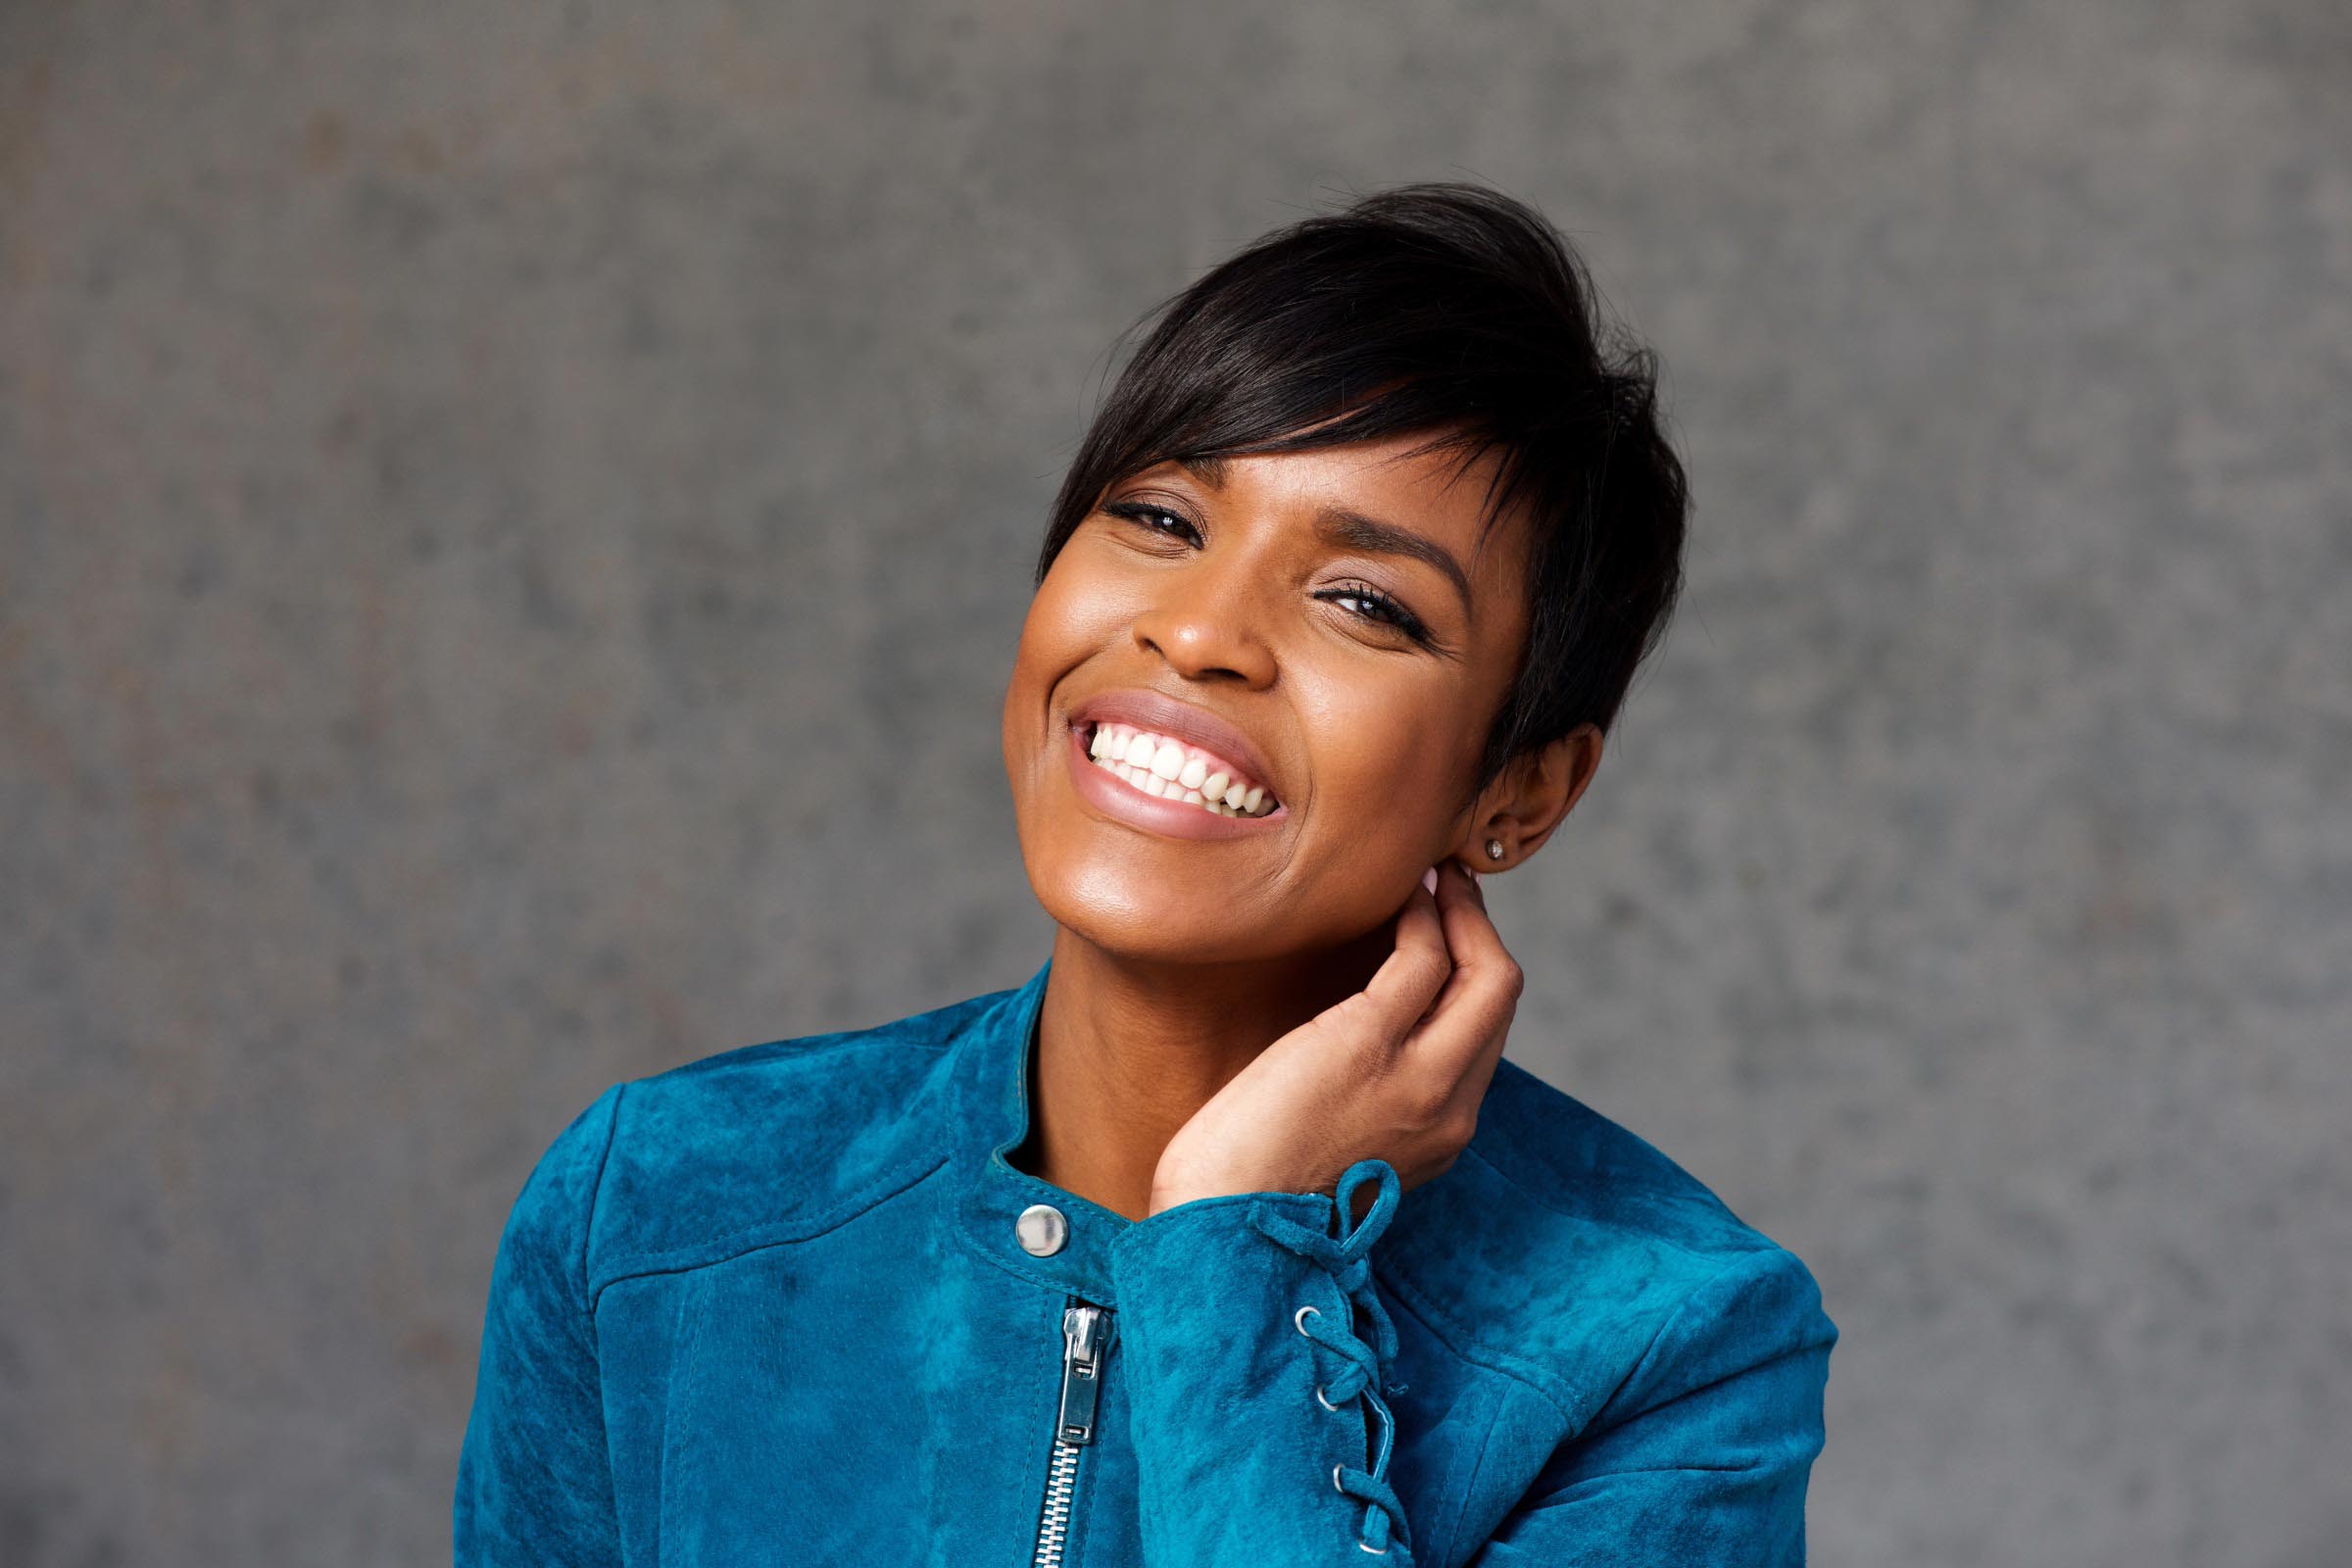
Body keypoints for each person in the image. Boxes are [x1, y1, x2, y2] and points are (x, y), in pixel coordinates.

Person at [455, 181, 1836, 1567]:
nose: (1197, 633)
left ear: (1519, 791)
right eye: (1164, 520)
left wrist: (1240, 1244)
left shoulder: (1669, 1347)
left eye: (1366, 601)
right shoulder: (660, 1211)